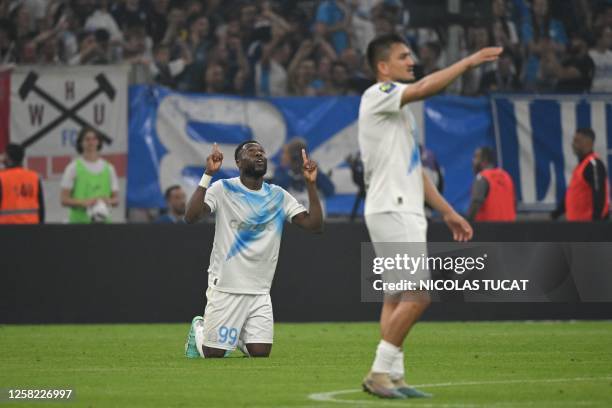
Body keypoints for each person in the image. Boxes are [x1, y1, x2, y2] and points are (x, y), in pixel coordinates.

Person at [358, 33, 499, 399]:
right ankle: (378, 371)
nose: (412, 61)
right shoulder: (378, 96)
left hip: (399, 205)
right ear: (382, 67)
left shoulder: (398, 113)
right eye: (404, 56)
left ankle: (394, 376)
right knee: (419, 296)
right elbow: (423, 87)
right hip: (394, 207)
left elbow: (416, 171)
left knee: (395, 298)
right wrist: (467, 62)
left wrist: (449, 211)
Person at [183, 141, 323, 358]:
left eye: (262, 152)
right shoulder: (223, 189)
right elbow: (191, 217)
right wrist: (207, 175)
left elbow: (314, 225)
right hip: (226, 285)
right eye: (251, 152)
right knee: (214, 354)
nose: (259, 155)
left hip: (260, 289)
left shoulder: (278, 195)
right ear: (238, 162)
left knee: (260, 353)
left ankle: (234, 335)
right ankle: (200, 329)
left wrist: (311, 185)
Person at [60, 127, 119, 223]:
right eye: (87, 139)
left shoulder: (109, 168)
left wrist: (106, 201)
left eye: (94, 139)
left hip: (104, 224)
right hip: (79, 224)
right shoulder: (73, 168)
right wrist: (84, 203)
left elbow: (116, 200)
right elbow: (64, 200)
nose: (91, 142)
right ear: (81, 143)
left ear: (99, 142)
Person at [552, 129, 609, 221]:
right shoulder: (581, 166)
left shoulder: (594, 164)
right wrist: (556, 213)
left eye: (577, 141)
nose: (573, 144)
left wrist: (597, 223)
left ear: (588, 142)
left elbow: (599, 194)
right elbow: (572, 194)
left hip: (589, 226)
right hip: (578, 225)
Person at [271, 138, 335, 217]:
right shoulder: (282, 173)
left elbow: (330, 191)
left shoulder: (314, 173)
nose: (282, 157)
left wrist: (315, 174)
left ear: (294, 156)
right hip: (290, 225)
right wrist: (290, 173)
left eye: (285, 153)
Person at [467, 146, 516, 222]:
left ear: (484, 160)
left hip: (488, 229)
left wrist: (466, 224)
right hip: (510, 229)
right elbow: (514, 203)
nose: (473, 161)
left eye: (476, 157)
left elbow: (476, 202)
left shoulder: (481, 178)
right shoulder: (506, 176)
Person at [0, 143, 44, 224]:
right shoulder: (34, 176)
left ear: (7, 157)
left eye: (3, 154)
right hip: (31, 227)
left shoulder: (2, 177)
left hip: (6, 228)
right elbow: (41, 207)